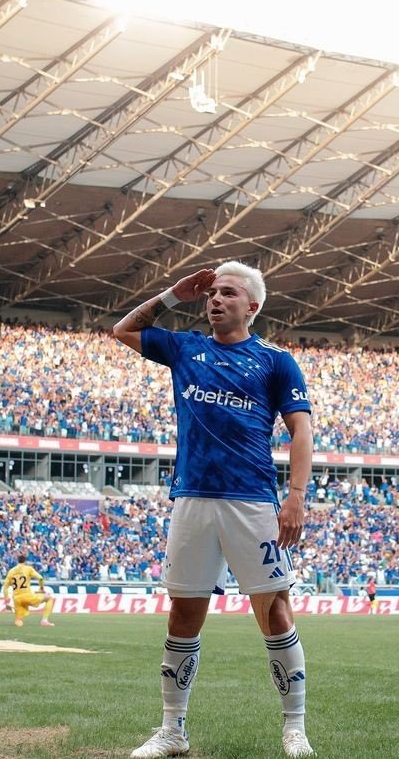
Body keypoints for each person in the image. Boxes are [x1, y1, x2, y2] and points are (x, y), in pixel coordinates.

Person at [113, 262, 315, 758]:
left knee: (276, 611)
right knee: (184, 613)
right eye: (212, 293)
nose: (215, 300)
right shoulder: (186, 348)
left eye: (228, 293)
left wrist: (295, 496)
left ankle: (294, 727)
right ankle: (172, 731)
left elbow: (301, 430)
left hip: (252, 502)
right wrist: (171, 296)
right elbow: (124, 329)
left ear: (253, 306)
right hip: (192, 499)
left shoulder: (275, 361)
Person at [2, 553, 55, 628]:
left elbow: (5, 587)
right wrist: (41, 588)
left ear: (18, 561)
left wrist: (6, 600)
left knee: (18, 621)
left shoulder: (11, 571)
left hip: (17, 598)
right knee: (49, 598)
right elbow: (40, 578)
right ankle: (44, 621)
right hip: (27, 595)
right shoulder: (28, 569)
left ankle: (18, 624)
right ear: (25, 561)